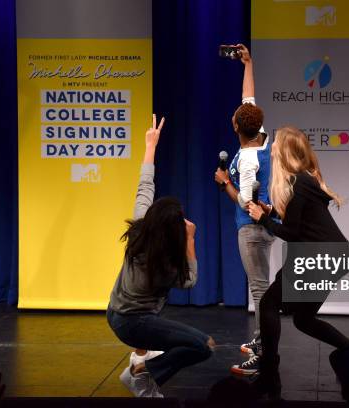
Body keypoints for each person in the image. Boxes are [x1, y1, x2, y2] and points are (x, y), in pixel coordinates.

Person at [107, 115, 215, 398]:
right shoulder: (164, 263)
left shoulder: (141, 229)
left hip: (114, 313)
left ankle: (141, 357)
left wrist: (150, 144)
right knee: (203, 346)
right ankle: (142, 376)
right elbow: (190, 280)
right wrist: (191, 239)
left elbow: (145, 184)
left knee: (157, 323)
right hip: (133, 324)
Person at [247, 126, 349, 399]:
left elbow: (293, 233)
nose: (271, 149)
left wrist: (262, 219)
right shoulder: (305, 181)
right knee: (304, 319)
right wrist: (272, 213)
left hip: (319, 256)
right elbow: (300, 224)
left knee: (269, 304)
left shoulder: (298, 183)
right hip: (331, 255)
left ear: (284, 151)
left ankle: (269, 376)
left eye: (275, 146)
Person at [214, 44, 275, 377]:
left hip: (253, 229)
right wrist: (247, 63)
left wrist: (225, 184)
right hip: (259, 227)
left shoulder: (250, 161)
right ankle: (260, 339)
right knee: (261, 288)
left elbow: (247, 202)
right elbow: (248, 98)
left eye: (236, 115)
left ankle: (264, 352)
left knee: (260, 291)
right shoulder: (260, 136)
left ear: (236, 126)